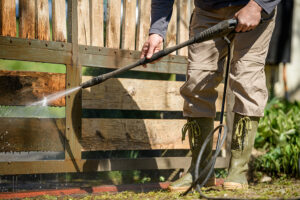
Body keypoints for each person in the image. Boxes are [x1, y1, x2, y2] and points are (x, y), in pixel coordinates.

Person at [140, 0, 280, 192]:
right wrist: (157, 31)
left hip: (253, 8)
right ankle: (201, 170)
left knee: (247, 80)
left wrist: (258, 5)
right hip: (207, 12)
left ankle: (238, 169)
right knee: (197, 82)